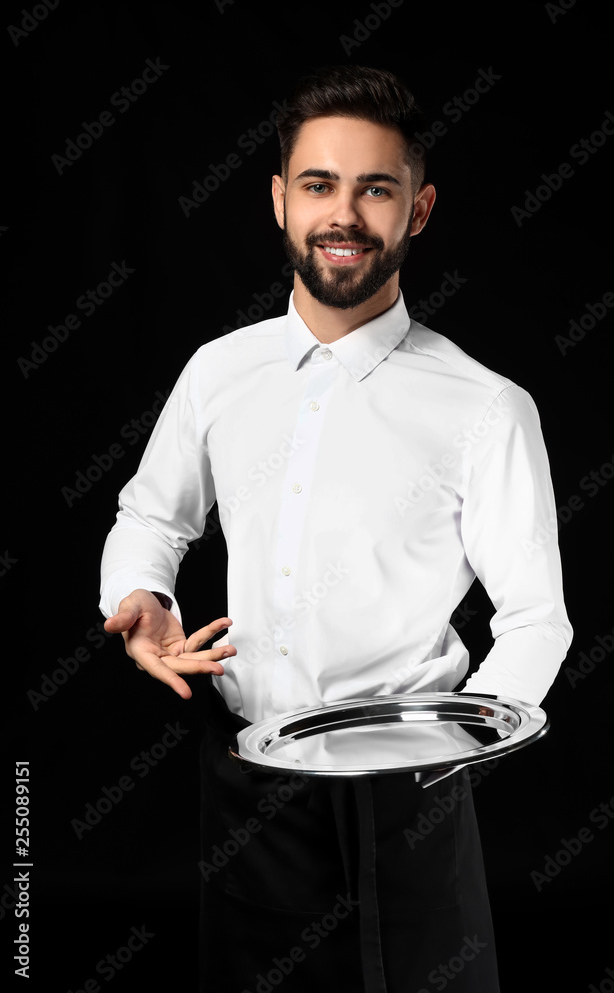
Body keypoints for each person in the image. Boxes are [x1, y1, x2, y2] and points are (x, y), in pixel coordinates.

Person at [99, 65, 572, 992]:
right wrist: (140, 594)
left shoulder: (485, 406)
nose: (342, 214)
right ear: (280, 201)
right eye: (318, 184)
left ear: (419, 210)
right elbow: (149, 516)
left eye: (375, 188)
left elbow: (534, 619)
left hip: (412, 801)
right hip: (248, 783)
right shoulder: (216, 373)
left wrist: (456, 747)